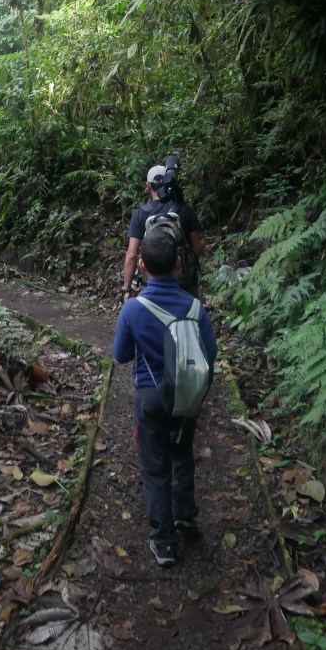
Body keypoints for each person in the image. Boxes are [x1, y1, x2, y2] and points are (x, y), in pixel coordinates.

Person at [112, 227, 218, 566]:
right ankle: (185, 512)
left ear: (141, 266)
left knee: (155, 465)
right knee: (182, 453)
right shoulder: (195, 308)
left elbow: (121, 355)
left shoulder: (133, 310)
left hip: (150, 396)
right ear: (177, 264)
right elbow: (210, 353)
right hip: (187, 396)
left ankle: (165, 541)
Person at [121, 163, 203, 302]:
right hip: (184, 281)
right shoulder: (186, 210)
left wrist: (126, 288)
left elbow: (131, 255)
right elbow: (197, 249)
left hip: (152, 283)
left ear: (148, 186)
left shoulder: (141, 214)